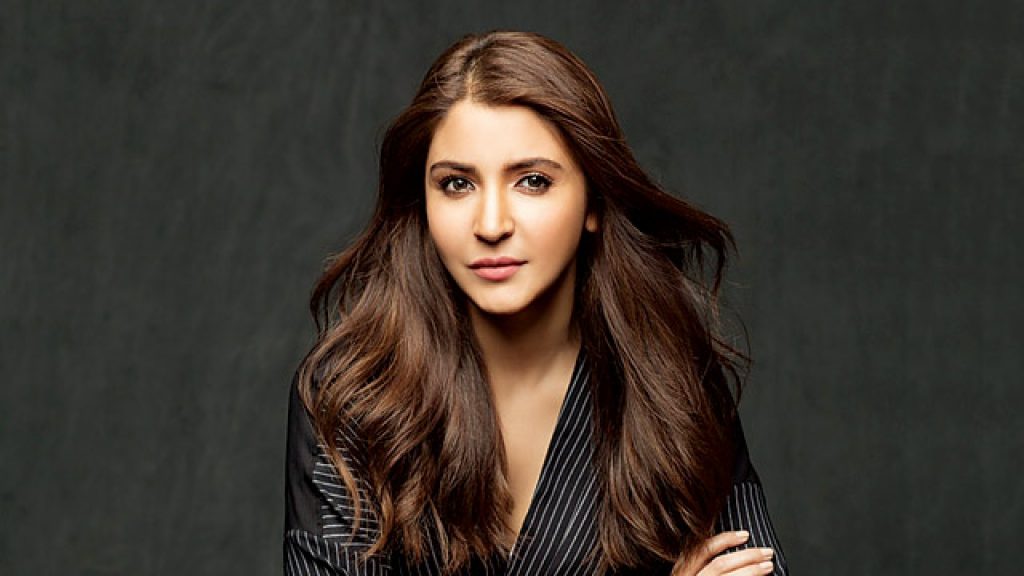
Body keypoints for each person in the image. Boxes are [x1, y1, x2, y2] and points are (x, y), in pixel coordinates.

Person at [284, 31, 788, 576]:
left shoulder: (670, 379)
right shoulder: (350, 397)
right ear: (422, 203)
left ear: (593, 201)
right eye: (456, 184)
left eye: (532, 181)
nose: (491, 224)